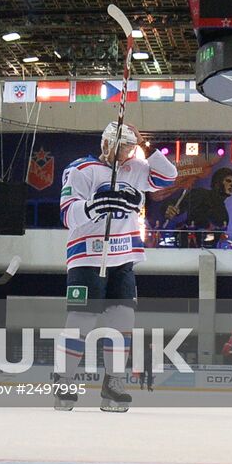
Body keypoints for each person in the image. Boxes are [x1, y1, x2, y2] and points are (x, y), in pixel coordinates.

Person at [54, 121, 177, 413]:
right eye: (121, 145)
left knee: (122, 323)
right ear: (106, 144)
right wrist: (94, 206)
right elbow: (67, 214)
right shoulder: (81, 170)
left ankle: (114, 382)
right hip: (87, 257)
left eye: (130, 147)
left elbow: (168, 176)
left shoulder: (136, 168)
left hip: (124, 257)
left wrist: (145, 145)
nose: (125, 152)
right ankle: (64, 379)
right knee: (81, 321)